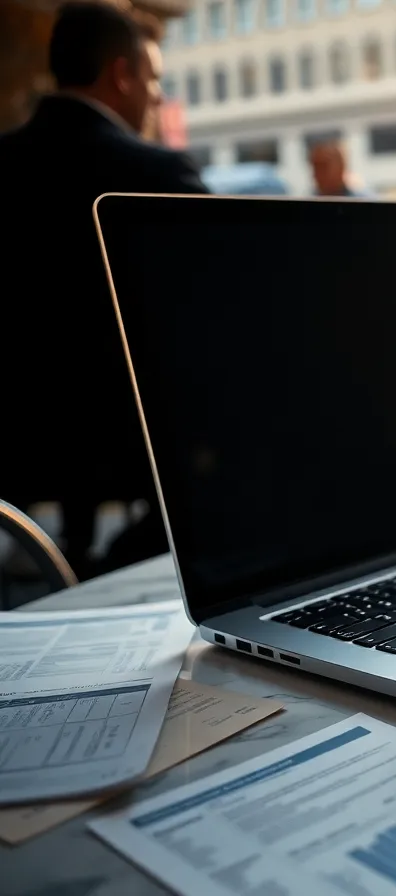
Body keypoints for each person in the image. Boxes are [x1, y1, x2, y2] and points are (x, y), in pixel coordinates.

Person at [0, 1, 208, 579]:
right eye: (152, 78)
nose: (155, 95)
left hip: (18, 439)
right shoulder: (157, 176)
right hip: (133, 445)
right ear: (121, 74)